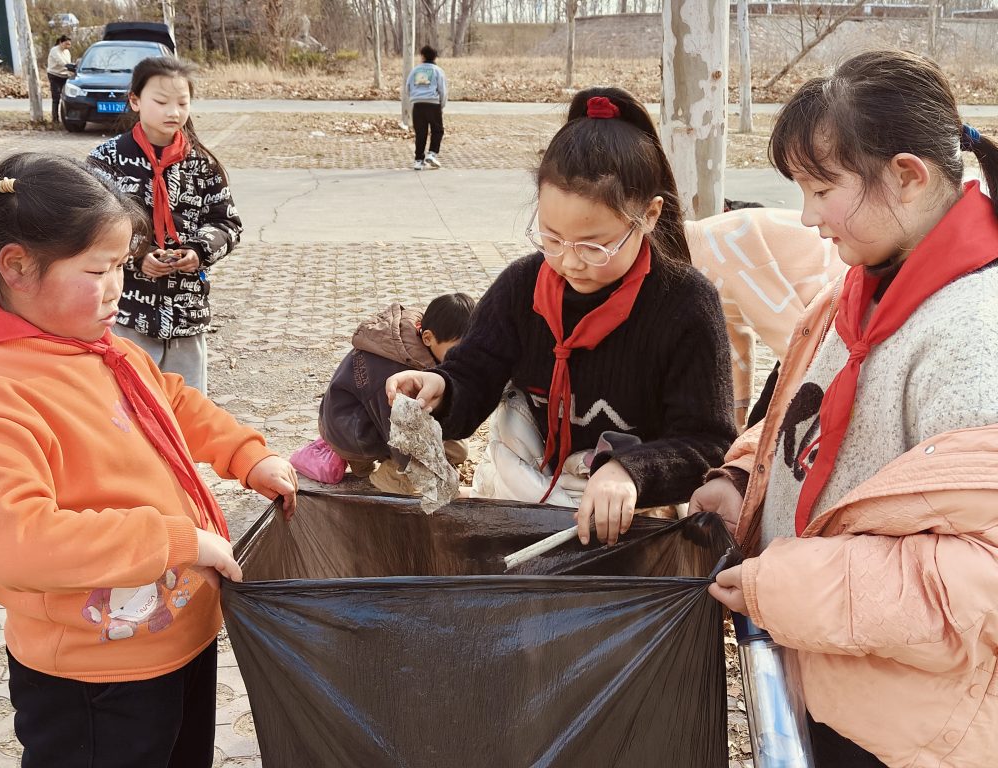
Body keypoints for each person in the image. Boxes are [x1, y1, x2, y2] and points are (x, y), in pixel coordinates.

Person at [690, 50, 998, 767]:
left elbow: (979, 581)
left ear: (908, 176)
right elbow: (800, 414)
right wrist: (742, 483)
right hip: (835, 677)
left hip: (911, 732)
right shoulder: (857, 289)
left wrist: (786, 583)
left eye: (822, 189)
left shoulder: (974, 343)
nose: (806, 217)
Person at [0, 152, 298, 767]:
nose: (117, 287)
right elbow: (15, 539)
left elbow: (171, 401)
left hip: (177, 638)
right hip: (95, 677)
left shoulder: (99, 349)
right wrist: (179, 540)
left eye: (121, 265)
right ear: (16, 266)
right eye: (97, 269)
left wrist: (246, 456)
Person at [387, 86, 735, 546]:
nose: (570, 263)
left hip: (641, 518)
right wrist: (442, 390)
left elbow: (708, 445)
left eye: (594, 245)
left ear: (649, 216)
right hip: (537, 498)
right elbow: (475, 375)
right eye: (552, 237)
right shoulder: (521, 288)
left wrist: (630, 472)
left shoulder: (686, 305)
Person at [89, 56, 241, 395]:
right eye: (161, 101)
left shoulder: (203, 164)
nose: (173, 111)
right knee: (126, 404)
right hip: (126, 309)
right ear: (135, 100)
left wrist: (199, 251)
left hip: (187, 311)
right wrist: (137, 254)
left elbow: (227, 222)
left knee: (187, 409)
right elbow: (92, 227)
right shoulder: (106, 161)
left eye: (182, 102)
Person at [685, 206, 845, 431]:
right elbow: (731, 340)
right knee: (758, 427)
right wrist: (736, 421)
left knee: (770, 430)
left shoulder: (719, 255)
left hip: (834, 298)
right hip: (805, 318)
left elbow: (793, 339)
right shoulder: (695, 259)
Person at [310, 292, 476, 494]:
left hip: (350, 415)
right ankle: (385, 478)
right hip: (349, 431)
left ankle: (361, 463)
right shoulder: (396, 374)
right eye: (458, 350)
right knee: (426, 468)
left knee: (455, 446)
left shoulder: (415, 339)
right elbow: (399, 436)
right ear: (428, 338)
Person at [405, 45, 447, 171]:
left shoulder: (415, 70)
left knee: (420, 133)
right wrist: (441, 105)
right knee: (437, 130)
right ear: (435, 57)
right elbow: (442, 90)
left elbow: (408, 86)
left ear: (422, 56)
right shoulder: (437, 71)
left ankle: (418, 161)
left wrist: (414, 97)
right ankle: (432, 154)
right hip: (433, 103)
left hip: (418, 104)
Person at [46, 35, 72, 124]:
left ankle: (67, 117)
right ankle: (55, 118)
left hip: (64, 76)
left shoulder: (67, 52)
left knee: (67, 97)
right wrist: (69, 66)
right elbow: (62, 62)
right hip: (54, 75)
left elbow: (68, 63)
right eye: (66, 44)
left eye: (69, 45)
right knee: (56, 97)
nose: (67, 46)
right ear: (61, 42)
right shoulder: (54, 50)